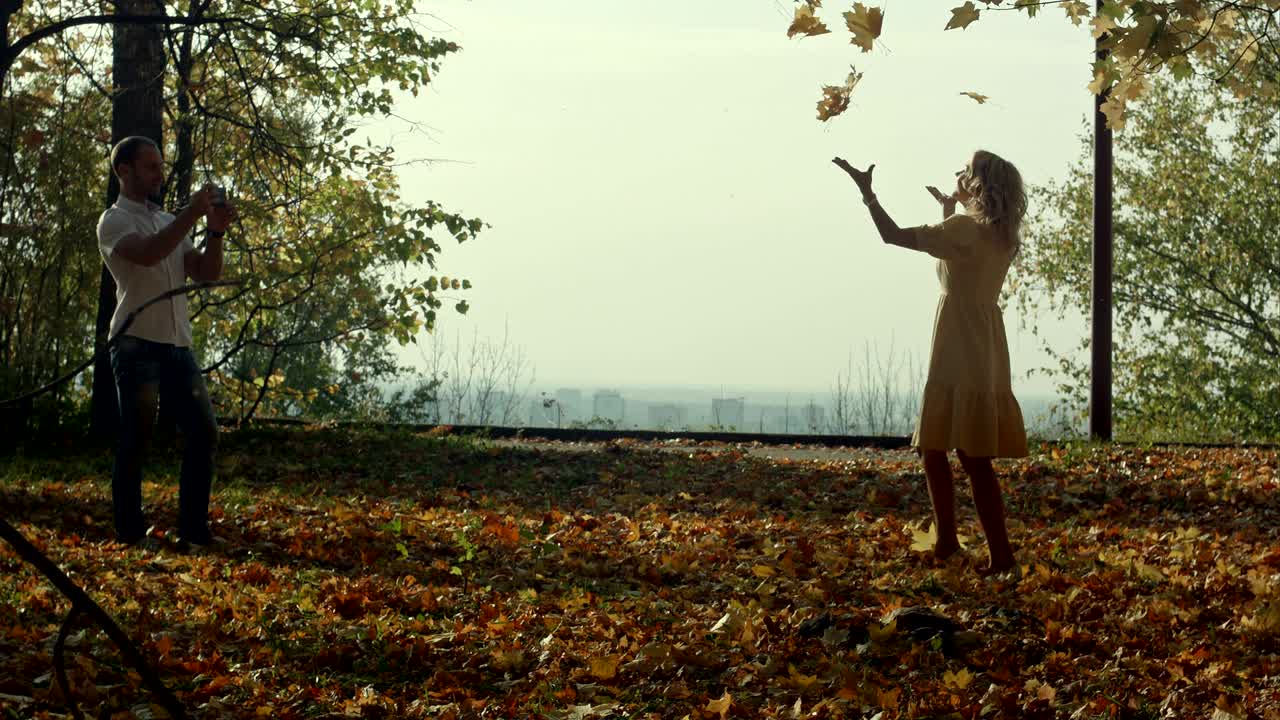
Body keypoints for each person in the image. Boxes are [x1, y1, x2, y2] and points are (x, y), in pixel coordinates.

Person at [832, 150, 1028, 574]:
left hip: (957, 340)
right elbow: (958, 262)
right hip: (984, 341)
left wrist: (869, 196)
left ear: (978, 184)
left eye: (965, 171)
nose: (957, 173)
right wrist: (947, 209)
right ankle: (959, 545)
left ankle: (987, 552)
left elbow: (893, 235)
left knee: (948, 449)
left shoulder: (963, 230)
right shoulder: (1001, 236)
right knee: (951, 449)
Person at [97, 135, 236, 550]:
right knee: (136, 438)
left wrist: (214, 231)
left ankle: (193, 531)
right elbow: (150, 254)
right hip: (135, 342)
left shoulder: (165, 221)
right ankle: (130, 533)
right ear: (125, 171)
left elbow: (204, 272)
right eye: (151, 167)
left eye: (161, 166)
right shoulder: (114, 221)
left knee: (204, 432)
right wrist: (192, 213)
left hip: (177, 344)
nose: (160, 174)